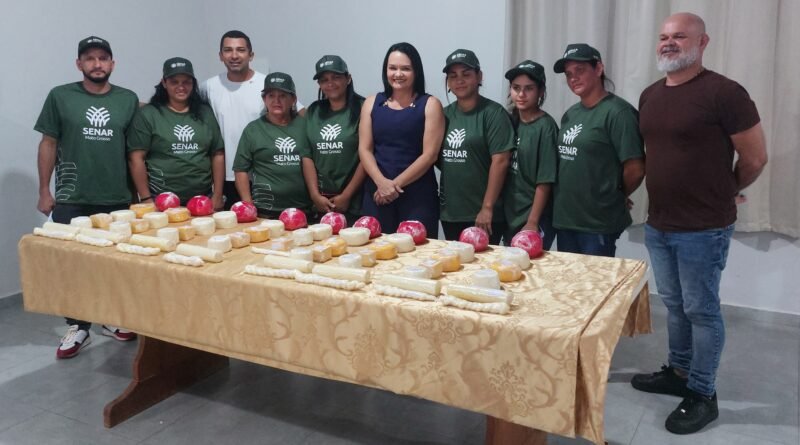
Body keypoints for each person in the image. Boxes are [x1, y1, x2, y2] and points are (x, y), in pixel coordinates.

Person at [631, 13, 767, 435]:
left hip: (704, 228)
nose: (669, 43)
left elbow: (755, 157)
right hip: (660, 223)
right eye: (664, 37)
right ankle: (679, 372)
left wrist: (727, 189)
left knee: (702, 311)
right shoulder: (650, 94)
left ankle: (703, 393)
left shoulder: (725, 93)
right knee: (674, 305)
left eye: (680, 37)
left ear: (702, 42)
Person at [34, 36, 139, 359]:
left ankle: (112, 317)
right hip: (72, 196)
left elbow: (135, 151)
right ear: (79, 63)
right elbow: (49, 143)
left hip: (117, 198)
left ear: (113, 63)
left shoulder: (128, 99)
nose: (97, 64)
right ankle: (78, 325)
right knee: (74, 266)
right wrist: (44, 189)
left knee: (115, 265)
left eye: (103, 58)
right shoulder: (61, 96)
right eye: (90, 58)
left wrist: (142, 197)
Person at [552, 43, 645, 256]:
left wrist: (615, 193)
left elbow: (636, 168)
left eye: (580, 70)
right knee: (569, 287)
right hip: (566, 219)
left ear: (599, 69)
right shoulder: (571, 114)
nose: (573, 78)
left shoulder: (618, 113)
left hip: (596, 223)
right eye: (568, 74)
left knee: (593, 287)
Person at [200, 30, 304, 209]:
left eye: (240, 50)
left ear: (251, 55)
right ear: (220, 56)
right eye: (228, 50)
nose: (234, 55)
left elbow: (301, 113)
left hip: (262, 176)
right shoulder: (208, 87)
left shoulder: (267, 85)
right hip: (225, 177)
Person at [358, 42, 445, 236]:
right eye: (393, 68)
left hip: (417, 197)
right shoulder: (372, 103)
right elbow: (365, 149)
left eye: (405, 68)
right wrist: (381, 183)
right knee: (376, 255)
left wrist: (393, 186)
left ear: (416, 72)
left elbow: (429, 155)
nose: (398, 74)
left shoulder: (430, 104)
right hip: (376, 194)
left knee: (417, 257)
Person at [438, 49, 514, 244]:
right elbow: (436, 158)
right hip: (451, 213)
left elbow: (501, 161)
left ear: (479, 76)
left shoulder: (494, 114)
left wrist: (487, 207)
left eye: (466, 74)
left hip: (484, 216)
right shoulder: (443, 115)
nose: (459, 80)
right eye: (453, 76)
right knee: (455, 270)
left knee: (483, 272)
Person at [127, 58, 224, 206]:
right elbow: (136, 158)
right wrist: (146, 198)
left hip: (202, 198)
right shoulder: (149, 114)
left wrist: (217, 195)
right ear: (164, 83)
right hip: (160, 199)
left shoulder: (205, 113)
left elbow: (217, 154)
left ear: (193, 84)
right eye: (174, 82)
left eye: (186, 82)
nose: (181, 87)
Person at [233, 72, 311, 217]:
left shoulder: (306, 126)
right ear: (264, 99)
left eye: (282, 96)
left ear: (293, 99)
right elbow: (240, 169)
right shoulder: (253, 130)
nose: (276, 101)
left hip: (302, 210)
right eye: (271, 96)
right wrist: (248, 204)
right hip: (265, 211)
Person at [302, 55, 366, 221]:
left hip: (356, 201)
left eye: (336, 77)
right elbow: (307, 155)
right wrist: (315, 195)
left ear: (348, 78)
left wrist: (347, 195)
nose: (330, 84)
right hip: (321, 201)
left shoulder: (364, 108)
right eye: (324, 80)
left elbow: (368, 154)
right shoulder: (313, 111)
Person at [502, 60, 558, 249]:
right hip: (510, 214)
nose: (521, 94)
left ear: (541, 91)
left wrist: (533, 222)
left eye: (529, 88)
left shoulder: (546, 127)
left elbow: (545, 180)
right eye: (516, 88)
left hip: (534, 217)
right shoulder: (509, 122)